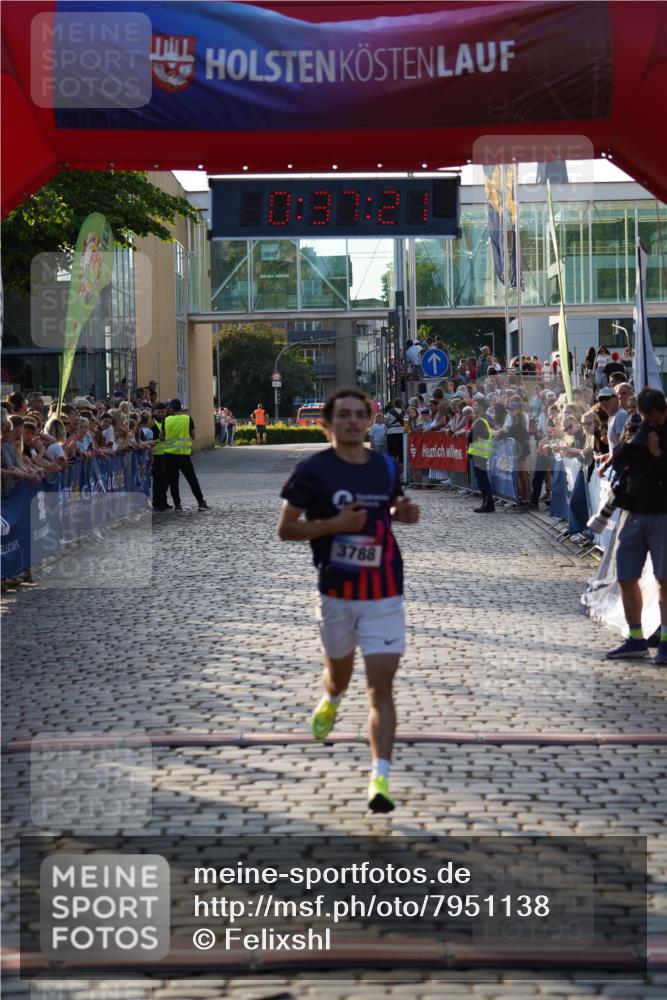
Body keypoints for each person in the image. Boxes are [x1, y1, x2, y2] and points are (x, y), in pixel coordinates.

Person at [277, 388, 420, 813]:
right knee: (339, 676)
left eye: (361, 414)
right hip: (336, 592)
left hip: (384, 592)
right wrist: (334, 524)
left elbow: (392, 507)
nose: (354, 421)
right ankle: (332, 699)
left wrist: (402, 514)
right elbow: (285, 528)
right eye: (345, 415)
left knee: (380, 688)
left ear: (369, 418)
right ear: (329, 423)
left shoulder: (385, 465)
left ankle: (380, 779)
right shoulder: (313, 470)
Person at [604, 388, 667, 665]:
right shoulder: (635, 426)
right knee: (626, 575)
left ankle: (665, 640)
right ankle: (636, 638)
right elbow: (618, 460)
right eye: (648, 419)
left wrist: (657, 453)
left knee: (665, 580)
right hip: (633, 510)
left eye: (657, 419)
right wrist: (632, 440)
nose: (653, 423)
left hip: (663, 512)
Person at [161, 399, 210, 511]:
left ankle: (177, 505)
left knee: (173, 481)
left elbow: (161, 437)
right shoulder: (187, 419)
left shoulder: (167, 420)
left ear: (172, 409)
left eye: (169, 408)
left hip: (169, 455)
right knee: (192, 480)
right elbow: (193, 436)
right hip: (183, 456)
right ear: (180, 408)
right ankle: (201, 503)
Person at [468, 397, 495, 512]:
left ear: (482, 407)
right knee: (483, 480)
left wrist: (469, 434)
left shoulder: (481, 420)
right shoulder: (485, 418)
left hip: (479, 453)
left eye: (477, 405)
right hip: (482, 453)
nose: (475, 407)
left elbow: (472, 436)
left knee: (482, 481)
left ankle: (488, 504)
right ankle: (487, 503)